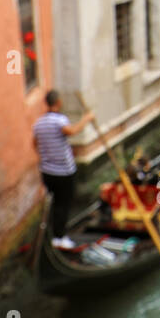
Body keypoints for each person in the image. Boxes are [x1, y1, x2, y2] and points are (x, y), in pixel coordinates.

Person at [32, 89, 96, 249]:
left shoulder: (38, 123)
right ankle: (59, 237)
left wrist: (47, 155)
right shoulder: (59, 120)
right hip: (64, 172)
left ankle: (54, 235)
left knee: (55, 203)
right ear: (58, 103)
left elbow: (34, 144)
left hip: (47, 172)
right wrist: (86, 119)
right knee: (64, 204)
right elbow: (72, 131)